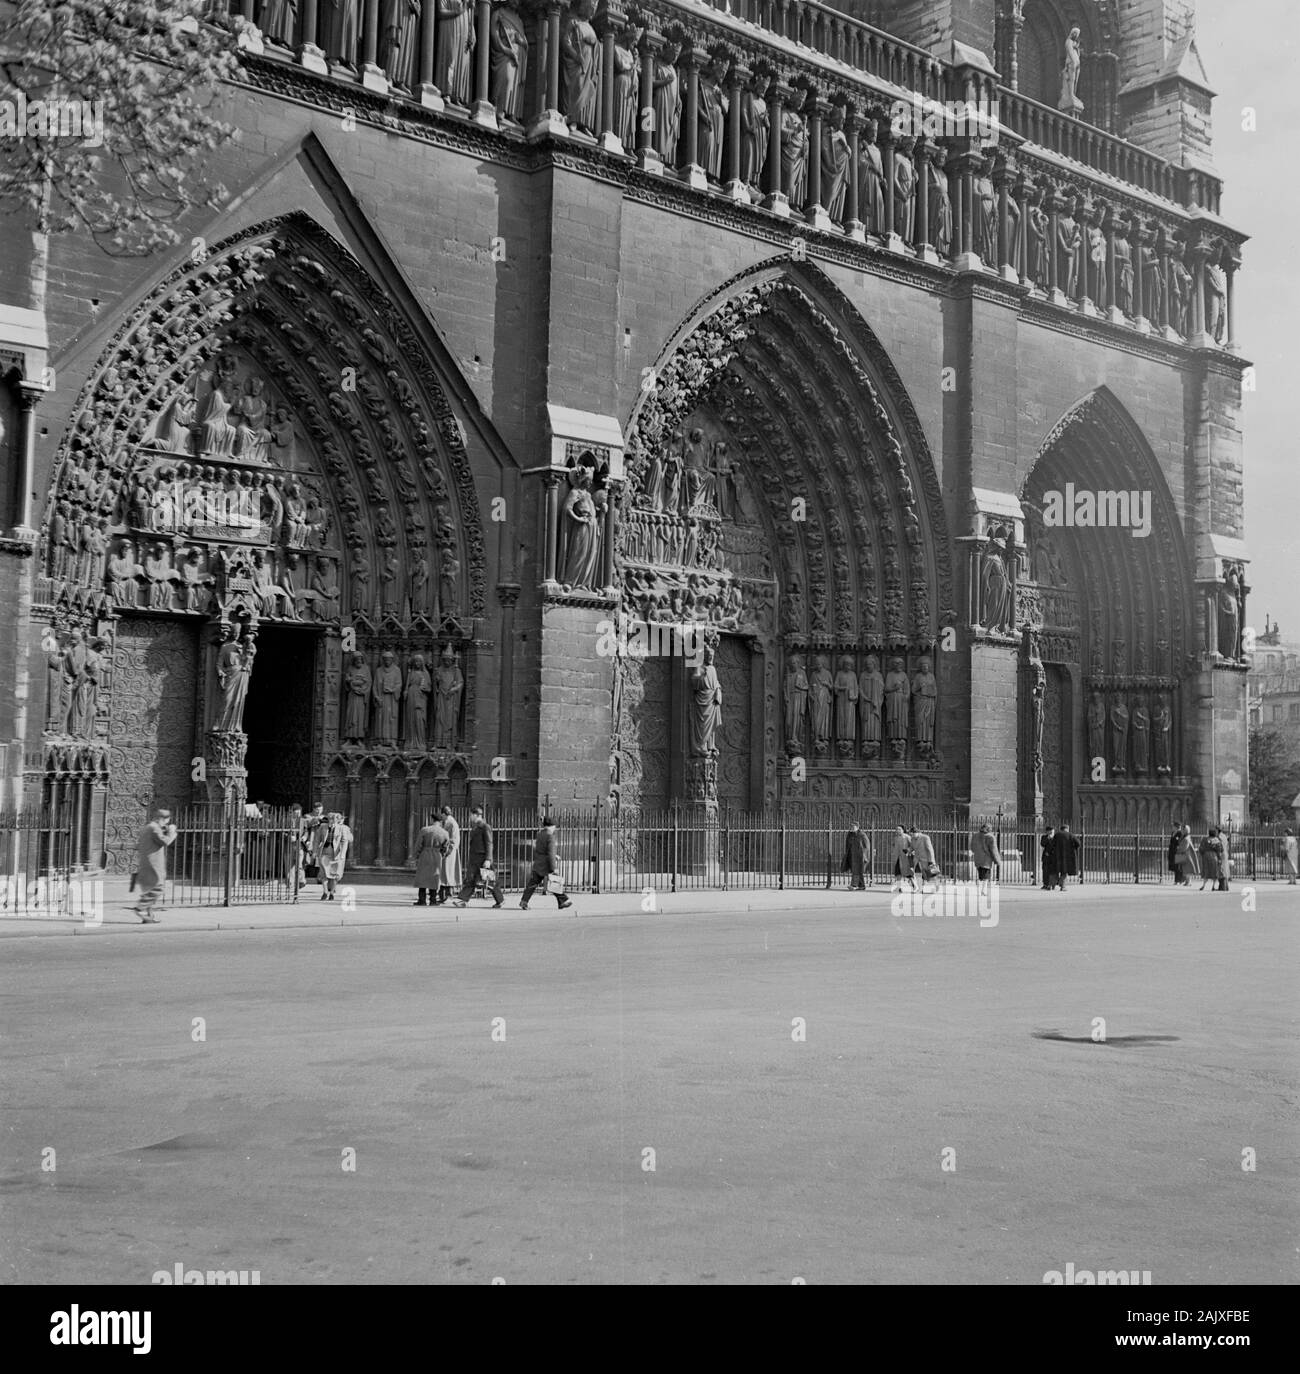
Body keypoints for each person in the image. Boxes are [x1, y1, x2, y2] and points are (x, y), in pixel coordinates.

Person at [453, 805, 505, 908]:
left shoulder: (485, 827)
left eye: (471, 815)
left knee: (490, 880)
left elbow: (489, 843)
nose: (470, 817)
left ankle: (500, 900)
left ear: (477, 815)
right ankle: (463, 900)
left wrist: (488, 859)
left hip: (482, 858)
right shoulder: (476, 828)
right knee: (471, 879)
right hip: (475, 858)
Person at [132, 807, 177, 924]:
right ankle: (140, 908)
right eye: (167, 820)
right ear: (163, 819)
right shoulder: (154, 828)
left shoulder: (147, 827)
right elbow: (165, 842)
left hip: (146, 863)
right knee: (158, 888)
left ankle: (148, 917)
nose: (167, 823)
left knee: (148, 889)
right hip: (153, 864)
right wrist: (172, 832)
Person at [520, 816, 573, 911]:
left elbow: (542, 849)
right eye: (554, 827)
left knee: (532, 884)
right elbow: (550, 853)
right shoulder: (550, 837)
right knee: (554, 882)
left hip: (538, 862)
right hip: (546, 864)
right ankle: (563, 900)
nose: (555, 829)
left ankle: (524, 901)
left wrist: (553, 855)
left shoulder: (540, 834)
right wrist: (554, 868)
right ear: (552, 826)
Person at [412, 814, 451, 907]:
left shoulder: (425, 830)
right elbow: (446, 847)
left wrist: (416, 855)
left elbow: (418, 845)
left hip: (425, 854)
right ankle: (433, 900)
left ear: (432, 820)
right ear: (441, 822)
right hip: (437, 856)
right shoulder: (445, 833)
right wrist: (442, 854)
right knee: (434, 878)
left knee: (423, 877)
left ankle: (422, 900)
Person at [313, 811, 352, 901]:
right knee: (324, 873)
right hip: (324, 851)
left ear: (338, 820)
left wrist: (342, 854)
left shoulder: (342, 828)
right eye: (330, 819)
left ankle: (332, 892)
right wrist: (315, 851)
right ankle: (325, 892)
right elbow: (317, 839)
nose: (332, 821)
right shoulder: (323, 827)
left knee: (334, 874)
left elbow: (344, 841)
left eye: (334, 819)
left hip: (335, 854)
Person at [438, 804, 462, 904]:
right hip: (448, 851)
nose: (441, 816)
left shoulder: (451, 823)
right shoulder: (448, 822)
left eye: (442, 814)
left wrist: (447, 851)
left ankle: (445, 894)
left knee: (447, 873)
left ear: (444, 814)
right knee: (445, 873)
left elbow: (454, 840)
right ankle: (444, 894)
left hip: (449, 852)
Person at [972, 822, 1001, 895]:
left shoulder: (975, 835)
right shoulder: (990, 837)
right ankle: (983, 891)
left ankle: (979, 890)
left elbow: (972, 847)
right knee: (986, 875)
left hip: (977, 857)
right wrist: (997, 861)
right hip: (986, 859)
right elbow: (994, 850)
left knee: (980, 875)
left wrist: (977, 852)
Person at [908, 825, 938, 892]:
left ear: (916, 832)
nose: (911, 836)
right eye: (910, 835)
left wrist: (932, 860)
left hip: (926, 859)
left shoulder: (925, 837)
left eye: (912, 834)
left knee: (930, 875)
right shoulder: (913, 839)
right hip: (917, 859)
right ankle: (920, 888)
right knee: (917, 874)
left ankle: (936, 887)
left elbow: (930, 849)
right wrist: (908, 851)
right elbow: (912, 847)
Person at [1051, 823, 1080, 890]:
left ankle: (1053, 885)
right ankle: (1063, 886)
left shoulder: (1057, 835)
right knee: (1064, 871)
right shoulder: (1070, 835)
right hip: (1067, 856)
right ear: (1067, 829)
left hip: (1057, 856)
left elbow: (1052, 844)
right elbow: (1078, 843)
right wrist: (1073, 848)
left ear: (1061, 829)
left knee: (1056, 871)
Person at [842, 821, 870, 890]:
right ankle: (861, 886)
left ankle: (854, 885)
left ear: (857, 827)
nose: (851, 828)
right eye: (851, 826)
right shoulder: (850, 835)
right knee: (857, 871)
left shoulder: (862, 835)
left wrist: (865, 855)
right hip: (852, 855)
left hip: (860, 856)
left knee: (856, 870)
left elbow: (867, 846)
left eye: (853, 827)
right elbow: (847, 845)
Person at [1198, 827, 1224, 892]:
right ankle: (1213, 886)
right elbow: (1220, 850)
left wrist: (1203, 854)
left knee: (1206, 870)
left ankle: (1203, 885)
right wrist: (1219, 858)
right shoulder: (1217, 840)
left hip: (1206, 856)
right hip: (1214, 856)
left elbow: (1201, 848)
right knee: (1214, 871)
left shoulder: (1204, 839)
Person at [890, 825, 915, 893]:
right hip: (897, 857)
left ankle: (914, 886)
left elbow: (912, 846)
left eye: (899, 829)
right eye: (897, 829)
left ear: (903, 830)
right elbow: (893, 846)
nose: (897, 830)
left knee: (908, 873)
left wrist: (908, 851)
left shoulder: (907, 837)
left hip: (905, 858)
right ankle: (899, 887)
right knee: (898, 873)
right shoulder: (895, 838)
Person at [1040, 825, 1058, 891]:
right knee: (1045, 871)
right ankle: (1045, 884)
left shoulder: (1056, 837)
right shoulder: (1044, 837)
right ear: (1047, 832)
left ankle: (1052, 885)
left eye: (1052, 831)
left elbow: (1056, 846)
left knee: (1053, 872)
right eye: (1050, 831)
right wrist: (1048, 838)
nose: (1052, 832)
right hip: (1046, 858)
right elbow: (1042, 844)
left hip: (1053, 857)